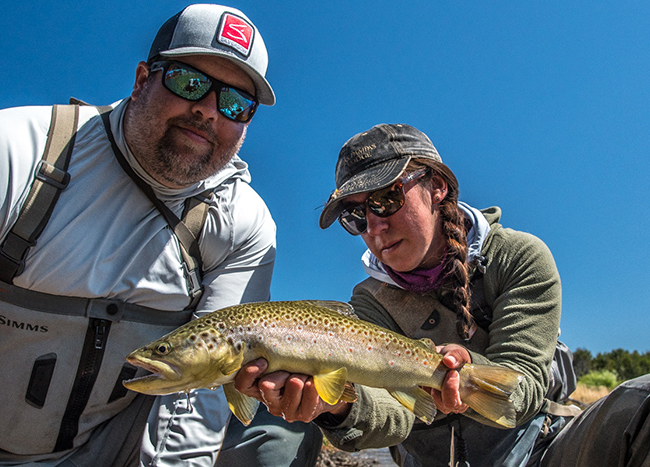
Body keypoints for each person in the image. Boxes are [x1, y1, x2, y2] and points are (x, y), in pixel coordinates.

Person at [0, 4, 317, 466]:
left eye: (235, 104)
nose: (207, 111)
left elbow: (200, 393)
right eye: (188, 82)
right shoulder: (9, 152)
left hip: (112, 450)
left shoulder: (242, 223)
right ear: (143, 78)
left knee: (273, 425)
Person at [233, 123, 650, 466]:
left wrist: (470, 372)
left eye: (385, 199)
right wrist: (337, 407)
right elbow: (391, 412)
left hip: (541, 453)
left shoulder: (520, 256)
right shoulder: (369, 302)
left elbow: (522, 388)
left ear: (438, 188)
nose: (374, 228)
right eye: (356, 215)